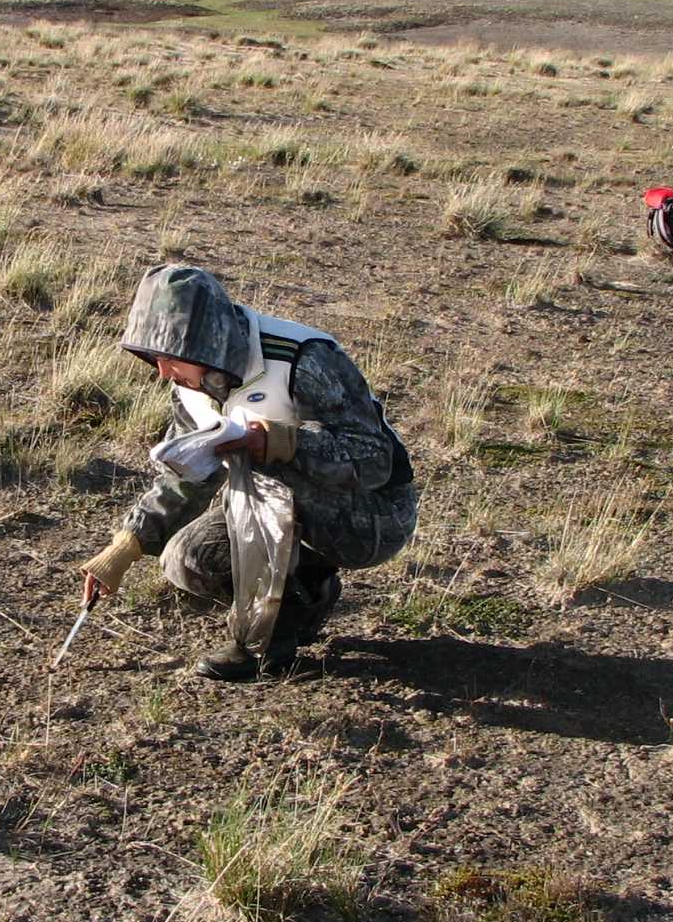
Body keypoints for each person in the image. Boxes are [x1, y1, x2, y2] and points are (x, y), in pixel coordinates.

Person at [77, 265, 418, 681]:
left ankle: (258, 643)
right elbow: (187, 473)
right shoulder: (191, 380)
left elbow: (374, 458)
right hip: (274, 502)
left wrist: (281, 442)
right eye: (153, 358)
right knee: (188, 559)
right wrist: (125, 548)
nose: (162, 372)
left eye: (168, 357)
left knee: (257, 465)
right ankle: (304, 595)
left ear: (205, 343)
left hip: (376, 516)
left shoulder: (304, 357)